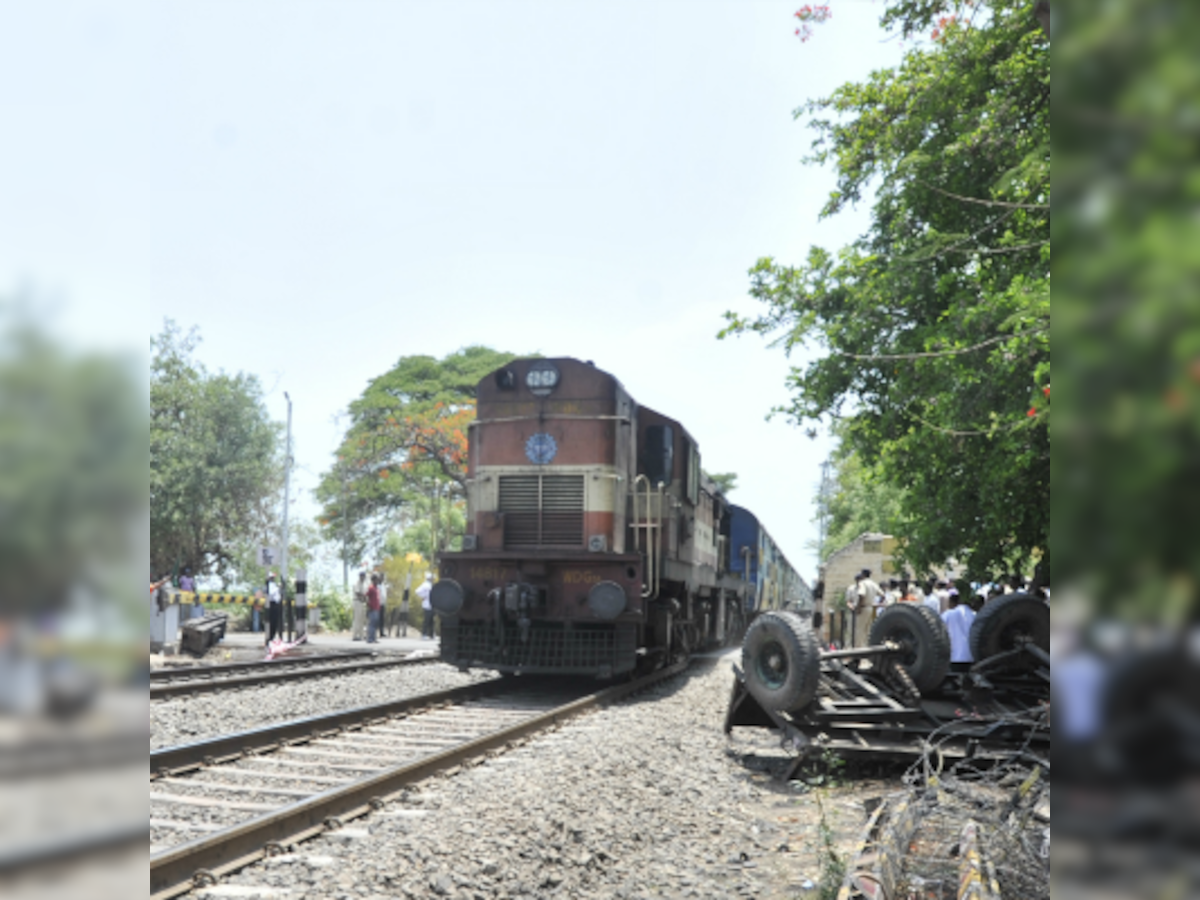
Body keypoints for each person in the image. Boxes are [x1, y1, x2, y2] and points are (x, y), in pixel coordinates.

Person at [940, 589, 975, 669]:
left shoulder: (948, 614)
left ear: (952, 602)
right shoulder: (974, 615)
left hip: (954, 657)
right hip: (971, 657)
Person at [265, 572, 283, 644]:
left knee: (274, 622)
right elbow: (272, 593)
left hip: (275, 603)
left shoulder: (272, 584)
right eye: (272, 577)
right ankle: (270, 637)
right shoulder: (270, 585)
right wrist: (278, 587)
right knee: (272, 622)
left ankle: (272, 637)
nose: (273, 578)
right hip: (272, 604)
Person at [417, 572, 435, 639]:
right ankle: (424, 634)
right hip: (427, 604)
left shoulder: (431, 584)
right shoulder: (425, 585)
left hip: (432, 604)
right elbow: (418, 591)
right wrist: (424, 596)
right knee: (426, 620)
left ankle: (431, 634)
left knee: (431, 620)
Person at [351, 571, 368, 641]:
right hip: (357, 601)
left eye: (364, 576)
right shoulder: (356, 583)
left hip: (362, 603)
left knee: (362, 619)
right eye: (362, 576)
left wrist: (365, 598)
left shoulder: (364, 584)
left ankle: (361, 635)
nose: (363, 577)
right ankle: (355, 635)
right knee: (357, 619)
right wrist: (364, 596)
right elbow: (357, 593)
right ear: (360, 576)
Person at [366, 574, 382, 644]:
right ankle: (370, 638)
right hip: (372, 608)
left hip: (377, 608)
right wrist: (369, 606)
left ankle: (374, 638)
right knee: (372, 624)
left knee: (375, 624)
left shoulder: (377, 588)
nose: (377, 581)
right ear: (373, 580)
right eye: (376, 579)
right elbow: (366, 597)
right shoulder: (371, 588)